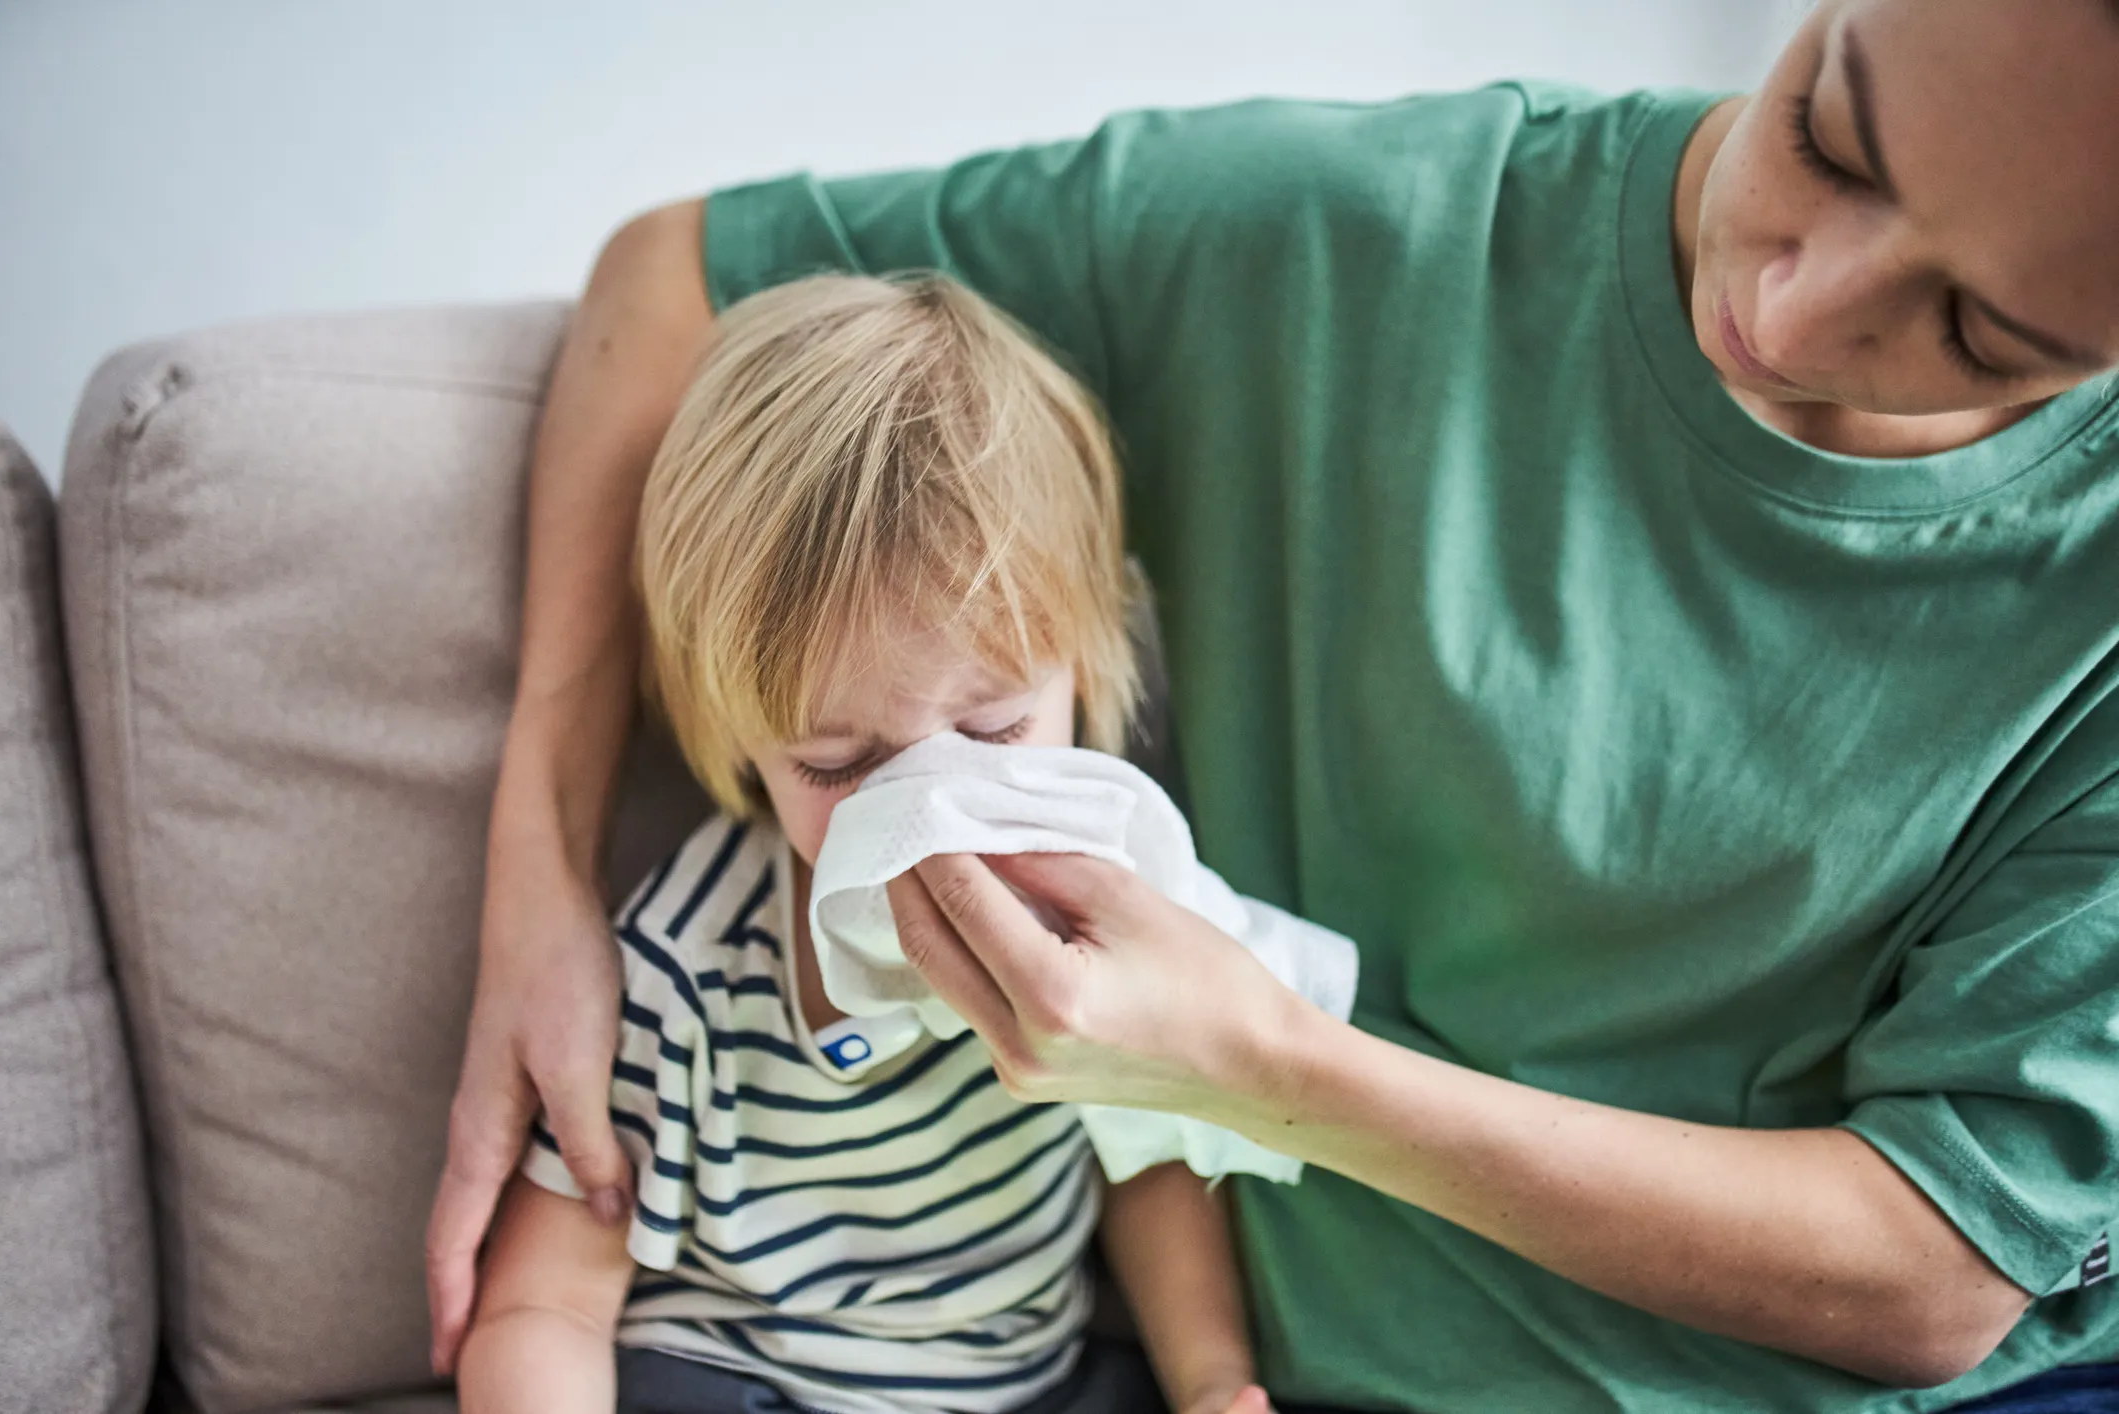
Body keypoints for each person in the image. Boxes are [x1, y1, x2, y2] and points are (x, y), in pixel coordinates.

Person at [427, 1, 2119, 1409]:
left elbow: (1935, 1274)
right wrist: (534, 871)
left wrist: (1261, 1068)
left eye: (1980, 325)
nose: (1787, 312)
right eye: (1826, 133)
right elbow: (674, 273)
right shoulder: (1349, 232)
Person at [454, 273, 1273, 1414]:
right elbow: (545, 1304)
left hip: (1029, 1380)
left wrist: (1211, 1378)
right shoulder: (685, 974)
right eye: (839, 764)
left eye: (993, 731)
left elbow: (1150, 1167)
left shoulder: (1103, 908)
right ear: (740, 736)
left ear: (1080, 672)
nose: (925, 810)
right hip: (746, 1376)